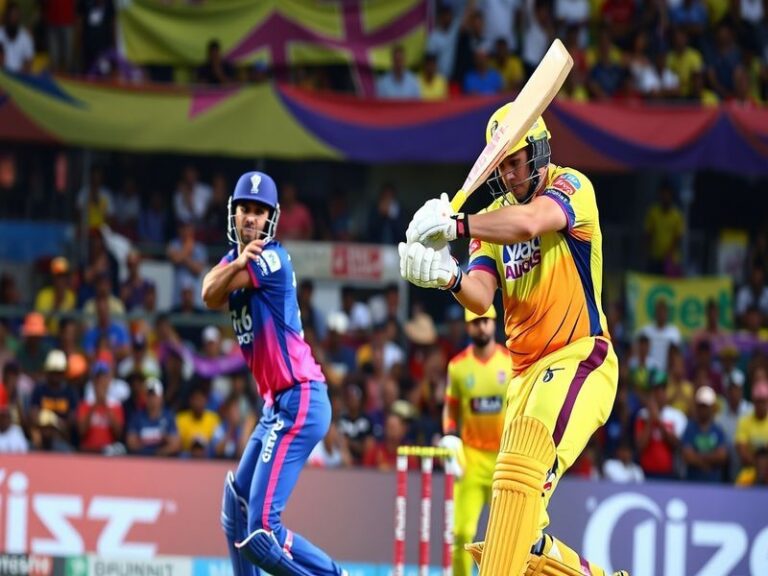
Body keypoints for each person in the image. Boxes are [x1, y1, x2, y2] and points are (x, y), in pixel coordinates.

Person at [399, 109, 627, 575]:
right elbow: (481, 297)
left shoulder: (572, 186)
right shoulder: (490, 219)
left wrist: (457, 225)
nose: (508, 174)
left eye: (515, 162)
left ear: (539, 152)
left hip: (578, 358)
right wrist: (448, 275)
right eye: (501, 165)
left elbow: (529, 223)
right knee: (517, 526)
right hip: (523, 380)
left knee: (521, 486)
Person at [202, 171, 347, 576]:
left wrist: (235, 266)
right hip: (277, 405)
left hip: (300, 397)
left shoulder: (273, 258)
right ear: (233, 214)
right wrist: (234, 263)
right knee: (235, 505)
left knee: (263, 530)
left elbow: (217, 288)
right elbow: (208, 293)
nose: (251, 218)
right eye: (245, 209)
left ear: (272, 218)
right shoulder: (234, 261)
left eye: (259, 211)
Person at [440, 305, 511, 576]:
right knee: (460, 533)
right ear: (468, 327)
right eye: (475, 322)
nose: (481, 327)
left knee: (508, 536)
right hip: (470, 458)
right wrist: (449, 435)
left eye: (485, 321)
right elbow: (450, 407)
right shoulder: (458, 366)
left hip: (504, 459)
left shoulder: (511, 361)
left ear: (494, 322)